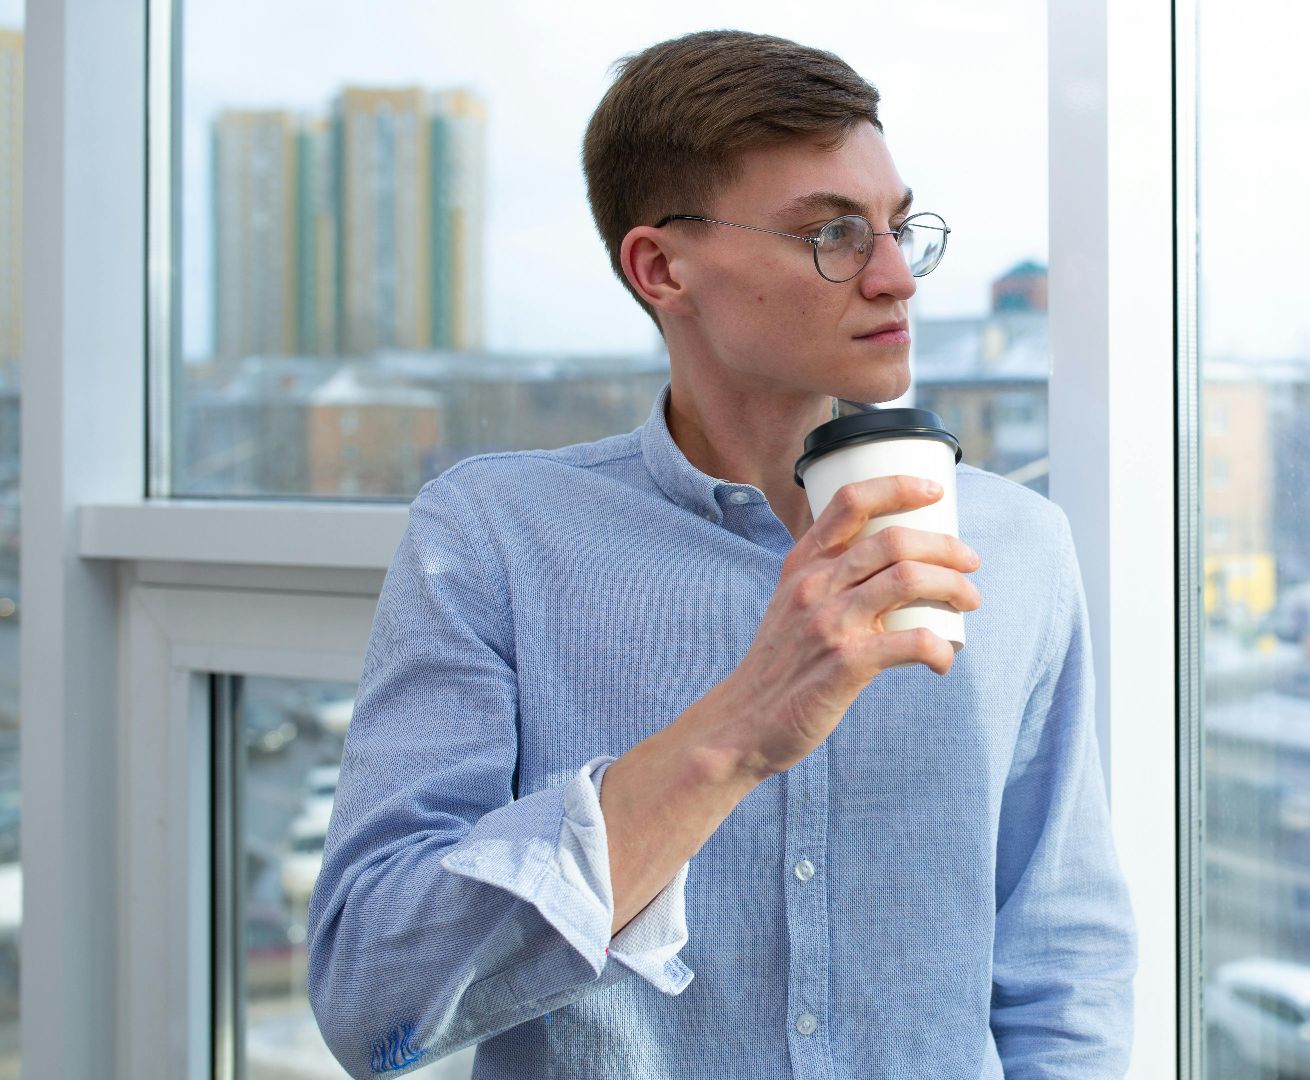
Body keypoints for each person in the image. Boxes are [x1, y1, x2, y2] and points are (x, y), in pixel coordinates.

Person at [304, 28, 1137, 1079]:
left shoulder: (1016, 544)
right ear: (662, 268)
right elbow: (370, 1002)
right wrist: (736, 730)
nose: (895, 278)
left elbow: (1063, 964)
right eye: (832, 233)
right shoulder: (494, 538)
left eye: (898, 226)